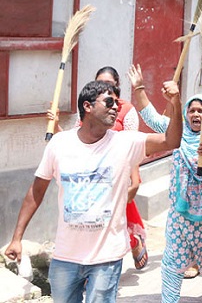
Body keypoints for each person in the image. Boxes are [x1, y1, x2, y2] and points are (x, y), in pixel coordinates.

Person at [5, 80, 182, 302]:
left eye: (117, 102)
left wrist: (175, 103)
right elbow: (36, 192)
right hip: (65, 256)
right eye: (109, 101)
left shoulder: (125, 142)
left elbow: (171, 140)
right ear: (87, 106)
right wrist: (17, 238)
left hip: (106, 258)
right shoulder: (59, 144)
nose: (116, 107)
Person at [134, 84, 202, 301]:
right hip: (181, 212)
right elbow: (152, 119)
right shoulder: (177, 132)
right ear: (186, 113)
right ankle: (169, 299)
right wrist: (140, 87)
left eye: (200, 111)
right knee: (172, 261)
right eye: (192, 110)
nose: (196, 114)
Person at [48, 66, 148, 270]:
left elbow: (133, 148)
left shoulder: (126, 111)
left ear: (117, 86)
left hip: (118, 176)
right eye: (99, 82)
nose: (104, 87)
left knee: (117, 220)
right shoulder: (90, 111)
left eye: (109, 84)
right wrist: (55, 125)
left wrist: (135, 179)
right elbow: (75, 138)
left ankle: (134, 243)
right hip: (94, 177)